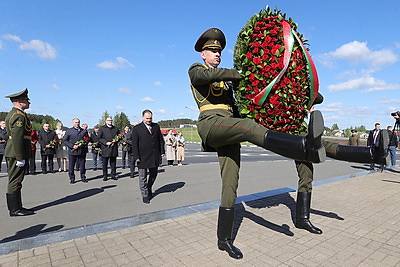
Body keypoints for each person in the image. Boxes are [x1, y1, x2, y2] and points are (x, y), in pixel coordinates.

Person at [189, 28, 325, 259]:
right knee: (248, 127)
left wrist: (292, 88)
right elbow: (203, 78)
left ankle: (224, 240)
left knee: (231, 181)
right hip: (211, 123)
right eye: (211, 51)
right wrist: (239, 73)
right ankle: (301, 147)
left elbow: (249, 97)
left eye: (218, 51)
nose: (216, 54)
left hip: (229, 128)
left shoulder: (228, 82)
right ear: (203, 54)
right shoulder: (197, 69)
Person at [4, 88, 34, 216]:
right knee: (15, 180)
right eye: (26, 100)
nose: (28, 103)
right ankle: (15, 209)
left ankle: (17, 207)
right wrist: (19, 157)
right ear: (19, 102)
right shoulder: (18, 116)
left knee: (16, 179)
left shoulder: (16, 113)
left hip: (14, 151)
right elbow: (16, 138)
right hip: (16, 152)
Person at [131, 110, 165, 204]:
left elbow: (160, 140)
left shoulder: (156, 126)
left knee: (154, 175)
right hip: (142, 157)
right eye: (147, 118)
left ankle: (149, 187)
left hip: (154, 156)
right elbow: (134, 144)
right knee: (142, 177)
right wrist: (136, 156)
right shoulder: (137, 128)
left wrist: (162, 151)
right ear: (142, 117)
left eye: (150, 118)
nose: (149, 120)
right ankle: (145, 195)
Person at [63, 118, 89, 184]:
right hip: (72, 151)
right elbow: (65, 141)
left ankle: (83, 177)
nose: (77, 123)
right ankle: (72, 178)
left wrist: (82, 144)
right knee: (71, 166)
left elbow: (87, 139)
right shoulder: (69, 131)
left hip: (81, 151)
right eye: (75, 122)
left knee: (82, 165)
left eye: (78, 122)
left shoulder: (84, 131)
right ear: (72, 123)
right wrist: (72, 146)